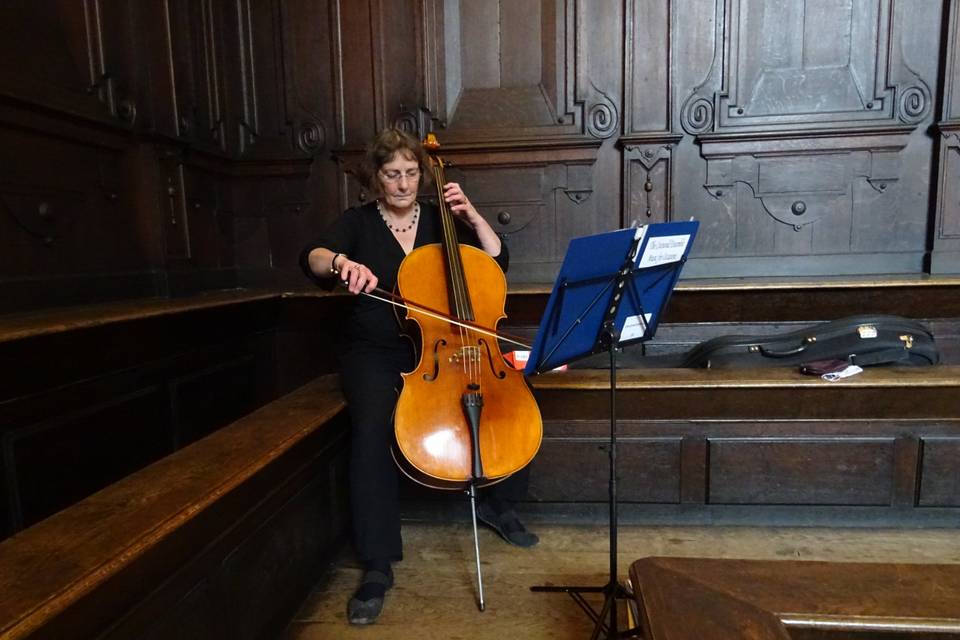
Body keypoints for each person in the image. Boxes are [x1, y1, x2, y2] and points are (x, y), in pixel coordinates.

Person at [300, 128, 538, 625]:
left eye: (411, 173)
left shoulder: (441, 220)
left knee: (511, 396)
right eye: (393, 174)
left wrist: (471, 214)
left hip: (444, 348)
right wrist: (342, 263)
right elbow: (314, 258)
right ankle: (377, 562)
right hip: (377, 350)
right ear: (375, 178)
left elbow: (496, 260)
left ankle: (497, 503)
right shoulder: (358, 223)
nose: (404, 183)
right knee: (371, 429)